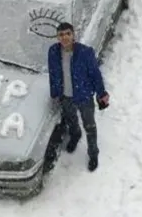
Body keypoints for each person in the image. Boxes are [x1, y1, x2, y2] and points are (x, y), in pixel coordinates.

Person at [47, 22, 110, 172]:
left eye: (68, 33)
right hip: (66, 95)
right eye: (61, 34)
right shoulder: (53, 52)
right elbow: (53, 73)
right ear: (57, 37)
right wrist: (55, 92)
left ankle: (93, 154)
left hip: (84, 96)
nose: (65, 37)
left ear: (73, 35)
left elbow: (95, 74)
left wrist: (101, 93)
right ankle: (75, 135)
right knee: (71, 119)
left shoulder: (85, 52)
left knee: (90, 126)